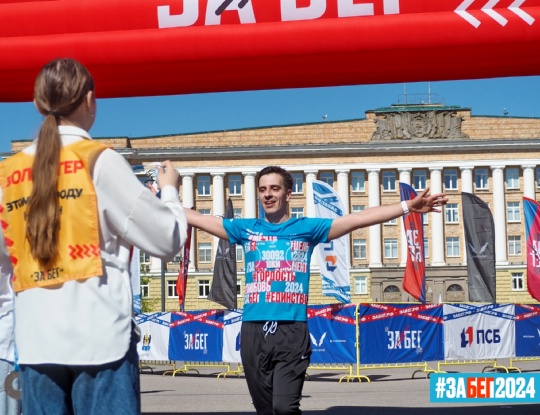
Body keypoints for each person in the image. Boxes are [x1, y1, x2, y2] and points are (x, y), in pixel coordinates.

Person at [0, 58, 187, 414]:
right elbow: (166, 238)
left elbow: (5, 257)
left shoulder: (9, 173)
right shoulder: (99, 161)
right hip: (100, 340)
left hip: (36, 342)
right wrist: (169, 191)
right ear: (89, 100)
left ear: (38, 104)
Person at [185, 165, 447, 415]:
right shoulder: (245, 229)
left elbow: (357, 219)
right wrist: (163, 196)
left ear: (288, 194)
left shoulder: (307, 229)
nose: (268, 194)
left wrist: (407, 207)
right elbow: (197, 218)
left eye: (275, 188)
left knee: (284, 408)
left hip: (291, 330)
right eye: (263, 189)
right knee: (265, 410)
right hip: (253, 330)